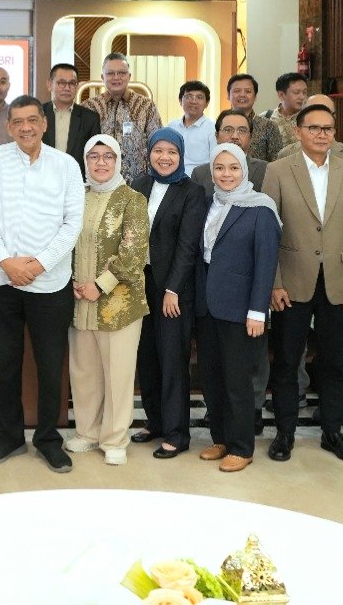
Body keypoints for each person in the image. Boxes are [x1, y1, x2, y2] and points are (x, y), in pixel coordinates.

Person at [0, 95, 85, 473]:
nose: (26, 127)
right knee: (3, 365)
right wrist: (6, 262)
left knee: (50, 367)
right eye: (18, 122)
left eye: (32, 120)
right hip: (1, 281)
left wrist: (38, 265)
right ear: (9, 127)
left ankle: (48, 439)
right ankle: (8, 438)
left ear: (44, 123)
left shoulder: (66, 165)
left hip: (50, 284)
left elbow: (72, 224)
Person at [262, 101, 343, 465]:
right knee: (286, 361)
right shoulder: (278, 170)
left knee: (335, 362)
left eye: (328, 128)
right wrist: (274, 282)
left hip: (339, 283)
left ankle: (333, 432)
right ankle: (285, 433)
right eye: (314, 128)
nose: (322, 134)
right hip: (291, 282)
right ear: (298, 131)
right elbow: (269, 231)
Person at [195, 144, 281, 473]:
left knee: (238, 380)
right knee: (212, 378)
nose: (226, 174)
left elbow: (266, 263)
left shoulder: (261, 208)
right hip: (207, 307)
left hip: (241, 309)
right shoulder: (208, 202)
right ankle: (220, 438)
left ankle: (242, 446)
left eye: (233, 168)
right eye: (219, 168)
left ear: (244, 170)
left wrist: (258, 311)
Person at [65, 135, 149, 466]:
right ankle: (87, 432)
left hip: (119, 304)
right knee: (84, 371)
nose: (101, 162)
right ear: (85, 161)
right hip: (78, 300)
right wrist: (70, 282)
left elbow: (134, 252)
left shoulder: (132, 199)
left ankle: (115, 438)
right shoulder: (76, 197)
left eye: (108, 156)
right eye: (94, 156)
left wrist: (100, 285)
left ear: (118, 161)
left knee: (118, 373)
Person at [128, 127, 207, 458]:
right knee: (146, 357)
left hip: (173, 288)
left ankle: (177, 433)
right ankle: (156, 421)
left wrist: (172, 288)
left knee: (172, 359)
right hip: (140, 284)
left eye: (171, 152)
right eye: (158, 150)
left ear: (181, 155)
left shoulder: (192, 192)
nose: (164, 157)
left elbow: (188, 246)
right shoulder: (139, 185)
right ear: (149, 153)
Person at [82, 52, 161, 185]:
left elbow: (157, 145)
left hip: (138, 185)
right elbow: (81, 147)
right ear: (102, 77)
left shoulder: (146, 106)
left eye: (121, 73)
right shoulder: (89, 107)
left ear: (129, 76)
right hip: (98, 185)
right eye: (110, 73)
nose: (116, 77)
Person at [190, 110, 268, 194]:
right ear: (216, 136)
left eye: (242, 130)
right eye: (228, 130)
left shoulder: (266, 170)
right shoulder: (200, 174)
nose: (235, 136)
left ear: (251, 137)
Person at [42, 62, 100, 174]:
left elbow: (94, 156)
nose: (67, 88)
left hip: (77, 180)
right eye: (61, 83)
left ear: (77, 86)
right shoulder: (38, 115)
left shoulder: (90, 118)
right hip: (43, 179)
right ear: (49, 85)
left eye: (72, 83)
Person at [226, 73, 285, 164]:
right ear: (228, 95)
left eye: (248, 91)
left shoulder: (268, 126)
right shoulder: (221, 125)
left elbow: (277, 162)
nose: (242, 95)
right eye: (237, 91)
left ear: (255, 96)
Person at [259, 72, 310, 156]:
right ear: (281, 95)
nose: (302, 97)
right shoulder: (265, 119)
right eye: (296, 92)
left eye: (304, 92)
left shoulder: (309, 119)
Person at [172, 80, 217, 170]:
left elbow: (216, 161)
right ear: (180, 101)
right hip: (171, 176)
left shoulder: (213, 129)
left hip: (200, 177)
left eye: (199, 97)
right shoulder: (171, 126)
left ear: (207, 103)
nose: (193, 101)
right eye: (189, 96)